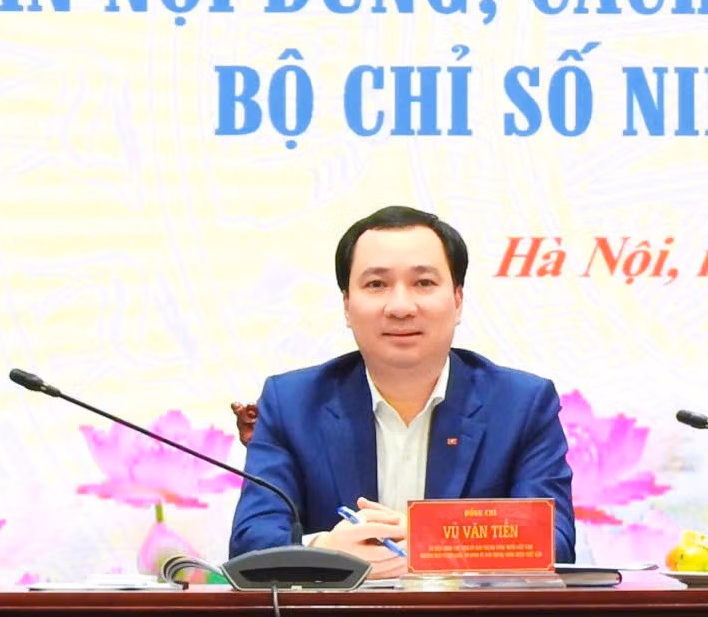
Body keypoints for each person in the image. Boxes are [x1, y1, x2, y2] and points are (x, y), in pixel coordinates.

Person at [228, 205, 574, 573]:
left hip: (469, 611)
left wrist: (430, 540)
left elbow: (555, 541)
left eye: (423, 283)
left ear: (458, 300)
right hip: (338, 612)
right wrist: (325, 551)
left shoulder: (521, 405)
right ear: (347, 305)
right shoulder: (292, 403)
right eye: (376, 285)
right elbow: (251, 541)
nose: (400, 306)